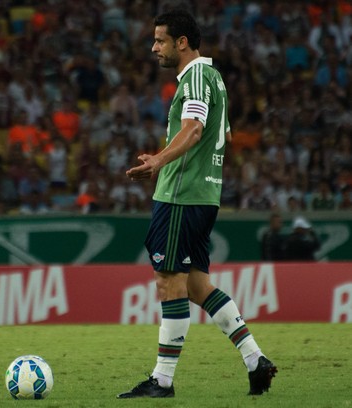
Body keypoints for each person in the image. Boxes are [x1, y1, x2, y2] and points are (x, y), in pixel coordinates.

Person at [119, 10, 276, 399]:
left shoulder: (196, 77)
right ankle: (256, 359)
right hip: (203, 195)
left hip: (181, 196)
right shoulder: (215, 80)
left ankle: (163, 380)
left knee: (168, 280)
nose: (154, 47)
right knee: (197, 285)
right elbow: (224, 134)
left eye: (160, 40)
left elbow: (194, 129)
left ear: (182, 42)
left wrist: (158, 160)